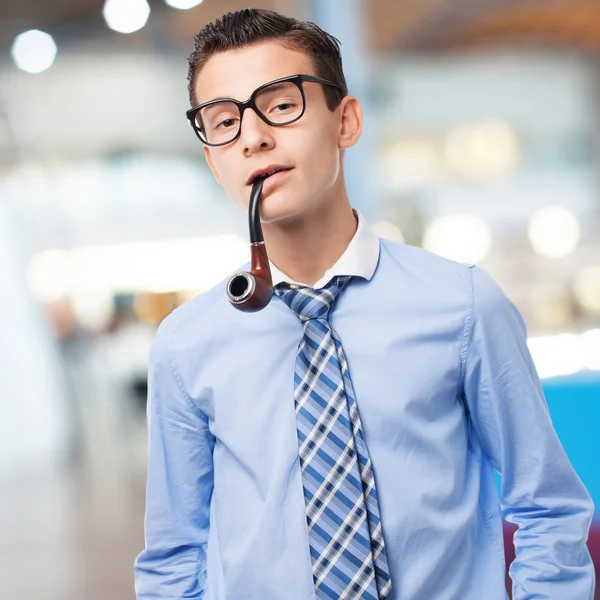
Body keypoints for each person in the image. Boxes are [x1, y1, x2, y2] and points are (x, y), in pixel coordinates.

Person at [134, 8, 595, 600]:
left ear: (346, 121)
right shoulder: (185, 344)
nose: (253, 136)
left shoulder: (462, 306)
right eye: (224, 121)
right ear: (213, 160)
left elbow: (546, 507)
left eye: (280, 105)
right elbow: (174, 555)